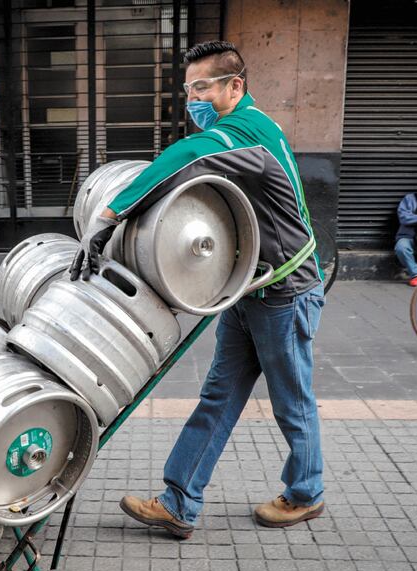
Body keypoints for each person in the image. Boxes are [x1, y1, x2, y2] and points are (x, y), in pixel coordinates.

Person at [71, 40, 325, 537]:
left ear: (236, 86)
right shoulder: (241, 133)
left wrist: (108, 216)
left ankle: (305, 493)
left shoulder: (249, 131)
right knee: (219, 396)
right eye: (189, 91)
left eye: (203, 88)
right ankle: (179, 501)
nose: (193, 100)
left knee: (292, 401)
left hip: (287, 292)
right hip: (249, 289)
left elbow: (187, 157)